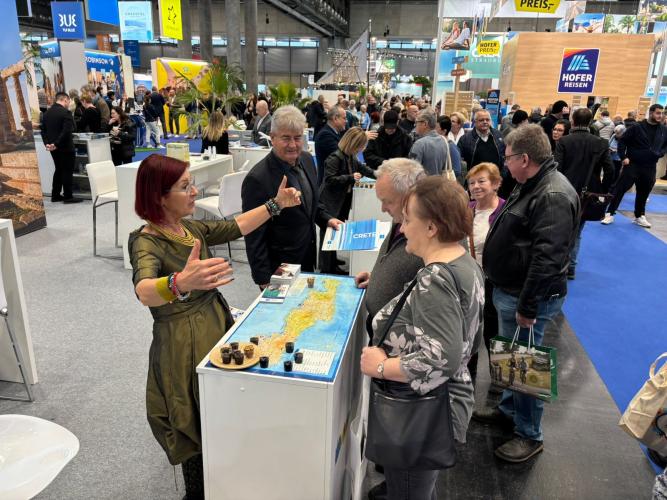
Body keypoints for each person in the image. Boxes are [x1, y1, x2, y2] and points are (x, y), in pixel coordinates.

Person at [129, 154, 301, 499]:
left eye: (191, 183)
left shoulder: (189, 228)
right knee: (193, 422)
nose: (194, 191)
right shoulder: (146, 240)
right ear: (159, 196)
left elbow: (236, 226)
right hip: (182, 343)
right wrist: (178, 283)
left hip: (211, 325)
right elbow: (144, 290)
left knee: (216, 410)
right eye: (184, 186)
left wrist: (275, 204)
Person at [361, 176, 484, 499]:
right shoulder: (463, 262)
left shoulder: (436, 278)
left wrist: (382, 366)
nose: (402, 228)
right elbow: (467, 341)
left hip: (420, 414)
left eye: (408, 220)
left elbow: (441, 358)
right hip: (437, 406)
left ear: (431, 227)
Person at [474, 124, 579, 463]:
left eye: (507, 158)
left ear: (524, 158)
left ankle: (529, 434)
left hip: (527, 296)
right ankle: (509, 411)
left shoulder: (552, 195)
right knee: (511, 357)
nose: (504, 164)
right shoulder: (532, 184)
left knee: (525, 363)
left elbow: (548, 259)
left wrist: (528, 305)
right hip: (511, 289)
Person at [242, 105, 342, 287]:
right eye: (286, 138)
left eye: (297, 138)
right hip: (279, 268)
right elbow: (253, 235)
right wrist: (263, 279)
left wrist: (326, 219)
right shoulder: (257, 179)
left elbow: (312, 203)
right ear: (272, 138)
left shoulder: (307, 160)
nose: (293, 145)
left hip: (307, 256)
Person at [554, 107, 614, 279]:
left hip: (565, 190)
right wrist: (603, 189)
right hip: (589, 193)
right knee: (578, 231)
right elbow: (610, 170)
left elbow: (557, 168)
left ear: (572, 121)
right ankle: (571, 266)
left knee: (561, 229)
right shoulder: (601, 143)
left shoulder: (564, 141)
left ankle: (560, 264)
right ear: (590, 122)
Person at [465, 163, 505, 386]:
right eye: (472, 182)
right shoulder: (466, 209)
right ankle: (468, 373)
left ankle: (499, 379)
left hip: (494, 283)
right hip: (469, 281)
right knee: (468, 330)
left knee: (494, 332)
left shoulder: (505, 211)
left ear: (496, 183)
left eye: (481, 181)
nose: (476, 186)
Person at [319, 127, 376, 274]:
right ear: (354, 144)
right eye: (361, 146)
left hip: (340, 202)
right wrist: (350, 178)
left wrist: (379, 175)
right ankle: (327, 268)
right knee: (327, 236)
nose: (363, 149)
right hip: (330, 203)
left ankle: (332, 262)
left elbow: (364, 170)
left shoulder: (350, 157)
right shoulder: (335, 158)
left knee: (334, 234)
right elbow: (329, 180)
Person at [602, 104, 667, 228]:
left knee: (644, 191)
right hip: (633, 164)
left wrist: (660, 153)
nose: (661, 116)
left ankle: (639, 215)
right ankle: (610, 213)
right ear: (651, 113)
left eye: (662, 113)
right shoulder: (637, 127)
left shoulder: (663, 130)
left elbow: (665, 145)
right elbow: (622, 141)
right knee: (620, 189)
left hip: (650, 166)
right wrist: (623, 157)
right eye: (658, 113)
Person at [42, 92, 82, 204]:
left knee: (59, 169)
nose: (69, 103)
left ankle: (55, 195)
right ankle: (68, 196)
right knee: (67, 171)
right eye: (68, 101)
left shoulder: (46, 113)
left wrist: (48, 144)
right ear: (65, 100)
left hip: (52, 148)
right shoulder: (66, 113)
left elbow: (43, 131)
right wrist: (56, 143)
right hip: (65, 147)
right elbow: (67, 131)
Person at [458, 110, 508, 194]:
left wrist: (503, 175)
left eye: (487, 120)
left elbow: (506, 157)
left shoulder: (499, 135)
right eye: (481, 120)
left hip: (496, 182)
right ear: (475, 122)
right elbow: (461, 162)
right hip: (476, 183)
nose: (485, 122)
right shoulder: (465, 139)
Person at [409, 108, 455, 176]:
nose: (415, 125)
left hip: (424, 182)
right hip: (438, 181)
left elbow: (412, 172)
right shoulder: (443, 141)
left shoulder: (419, 144)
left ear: (425, 124)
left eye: (416, 122)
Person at [314, 106, 347, 186]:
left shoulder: (334, 133)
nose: (346, 121)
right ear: (335, 118)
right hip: (328, 186)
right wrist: (358, 140)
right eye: (344, 118)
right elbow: (342, 156)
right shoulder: (325, 135)